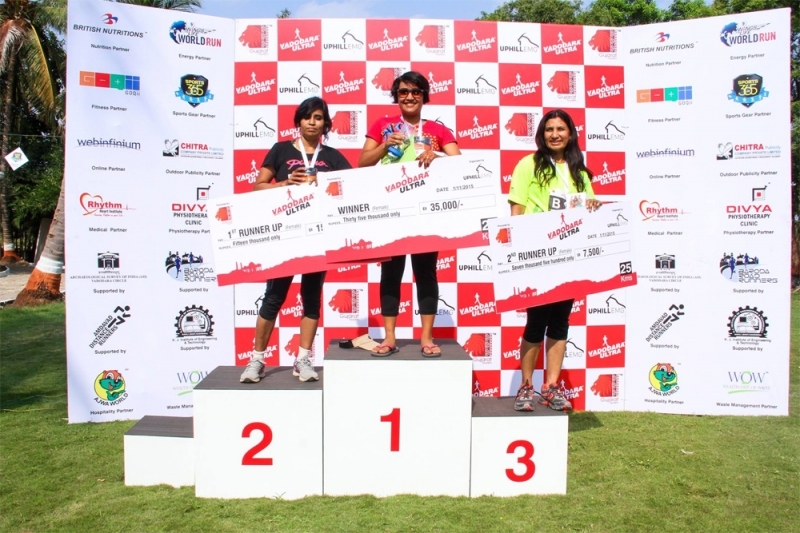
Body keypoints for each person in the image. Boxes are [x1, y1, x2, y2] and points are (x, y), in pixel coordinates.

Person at [240, 97, 352, 383]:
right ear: (299, 121)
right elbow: (257, 187)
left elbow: (351, 189)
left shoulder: (333, 157)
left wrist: (326, 185)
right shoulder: (280, 150)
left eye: (318, 118)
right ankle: (257, 360)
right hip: (285, 236)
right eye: (307, 117)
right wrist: (285, 184)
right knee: (273, 298)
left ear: (326, 123)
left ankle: (303, 359)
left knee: (311, 299)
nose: (312, 122)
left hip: (317, 236)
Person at [358, 71, 461, 357]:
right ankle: (389, 337)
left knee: (425, 272)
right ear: (396, 96)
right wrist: (384, 146)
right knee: (391, 273)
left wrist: (438, 156)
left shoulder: (437, 130)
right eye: (403, 92)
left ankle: (426, 337)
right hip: (391, 211)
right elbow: (362, 163)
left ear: (424, 96)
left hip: (426, 213)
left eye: (416, 92)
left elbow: (460, 164)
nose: (409, 97)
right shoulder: (383, 126)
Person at [507, 109, 602, 411]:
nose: (555, 134)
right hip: (538, 256)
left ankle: (550, 386)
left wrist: (595, 205)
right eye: (549, 129)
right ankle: (526, 386)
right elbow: (516, 210)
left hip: (569, 257)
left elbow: (590, 209)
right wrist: (518, 251)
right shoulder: (528, 164)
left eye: (561, 129)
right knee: (536, 321)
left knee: (560, 322)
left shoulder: (580, 172)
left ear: (570, 134)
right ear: (542, 134)